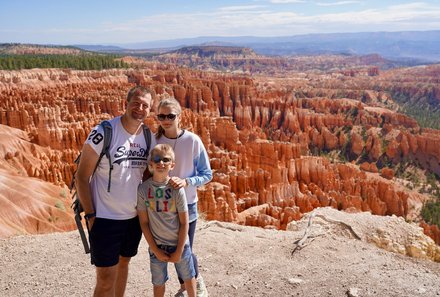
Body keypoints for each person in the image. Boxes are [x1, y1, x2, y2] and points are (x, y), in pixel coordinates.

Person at [75, 86, 156, 297]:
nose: (140, 108)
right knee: (105, 278)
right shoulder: (103, 132)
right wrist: (91, 215)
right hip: (104, 218)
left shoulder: (149, 137)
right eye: (136, 103)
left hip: (133, 218)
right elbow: (82, 177)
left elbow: (149, 175)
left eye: (145, 105)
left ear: (150, 110)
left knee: (124, 263)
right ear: (125, 104)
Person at [155, 97, 212, 297]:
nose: (166, 119)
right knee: (169, 251)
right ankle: (186, 285)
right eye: (161, 116)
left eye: (170, 115)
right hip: (161, 207)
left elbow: (207, 174)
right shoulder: (155, 140)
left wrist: (186, 181)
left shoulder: (192, 141)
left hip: (187, 204)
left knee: (185, 249)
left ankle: (195, 284)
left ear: (179, 116)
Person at [137, 144, 197, 297]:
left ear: (172, 165)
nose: (161, 163)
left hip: (180, 244)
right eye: (156, 159)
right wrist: (155, 250)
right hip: (157, 245)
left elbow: (184, 223)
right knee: (158, 284)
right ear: (151, 164)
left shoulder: (176, 189)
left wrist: (179, 250)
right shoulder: (143, 189)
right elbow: (143, 223)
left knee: (189, 279)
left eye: (166, 159)